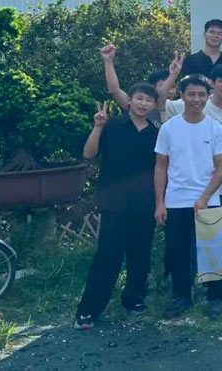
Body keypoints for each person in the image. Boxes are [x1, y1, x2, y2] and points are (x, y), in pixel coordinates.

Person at [73, 83, 160, 330]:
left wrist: (159, 202)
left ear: (154, 105)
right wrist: (97, 127)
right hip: (115, 203)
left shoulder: (156, 133)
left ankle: (134, 299)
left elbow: (161, 169)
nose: (143, 104)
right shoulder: (111, 126)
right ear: (129, 100)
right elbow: (89, 154)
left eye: (149, 100)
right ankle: (88, 310)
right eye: (139, 98)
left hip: (145, 203)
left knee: (140, 255)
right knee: (107, 256)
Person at [154, 75, 222, 319]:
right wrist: (160, 202)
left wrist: (205, 197)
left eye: (201, 95)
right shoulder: (169, 128)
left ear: (207, 96)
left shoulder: (216, 128)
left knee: (213, 251)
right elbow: (160, 166)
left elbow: (221, 167)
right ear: (182, 96)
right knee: (177, 251)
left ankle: (215, 298)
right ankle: (181, 297)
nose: (196, 99)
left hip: (209, 202)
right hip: (176, 200)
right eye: (191, 94)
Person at [167, 65, 222, 206]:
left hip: (215, 187)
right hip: (183, 185)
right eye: (221, 81)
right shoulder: (195, 101)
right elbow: (160, 102)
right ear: (212, 82)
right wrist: (173, 75)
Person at [100, 44, 176, 124]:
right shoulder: (136, 105)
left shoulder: (178, 107)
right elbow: (115, 90)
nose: (169, 90)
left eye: (172, 86)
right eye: (165, 85)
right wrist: (108, 61)